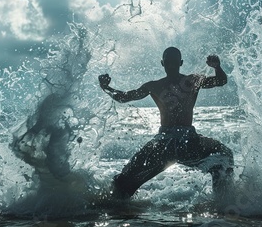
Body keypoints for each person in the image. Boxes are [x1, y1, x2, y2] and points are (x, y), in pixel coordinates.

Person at [98, 47, 234, 200]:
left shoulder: (158, 85)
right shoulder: (189, 81)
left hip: (166, 144)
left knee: (224, 156)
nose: (170, 65)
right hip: (185, 142)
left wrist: (106, 87)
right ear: (167, 63)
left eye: (172, 63)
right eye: (169, 63)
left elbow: (124, 97)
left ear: (165, 63)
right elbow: (221, 80)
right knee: (224, 155)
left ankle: (222, 203)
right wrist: (216, 67)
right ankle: (224, 204)